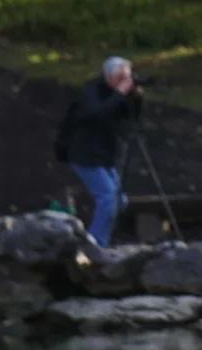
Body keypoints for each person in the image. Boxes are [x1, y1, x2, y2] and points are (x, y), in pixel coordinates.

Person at [56, 56, 141, 246]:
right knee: (108, 198)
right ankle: (94, 244)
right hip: (84, 155)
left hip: (105, 155)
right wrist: (119, 94)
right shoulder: (91, 91)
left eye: (126, 78)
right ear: (110, 77)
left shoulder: (117, 94)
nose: (124, 83)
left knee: (120, 201)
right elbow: (96, 114)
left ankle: (102, 240)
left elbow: (132, 117)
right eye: (121, 78)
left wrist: (136, 96)